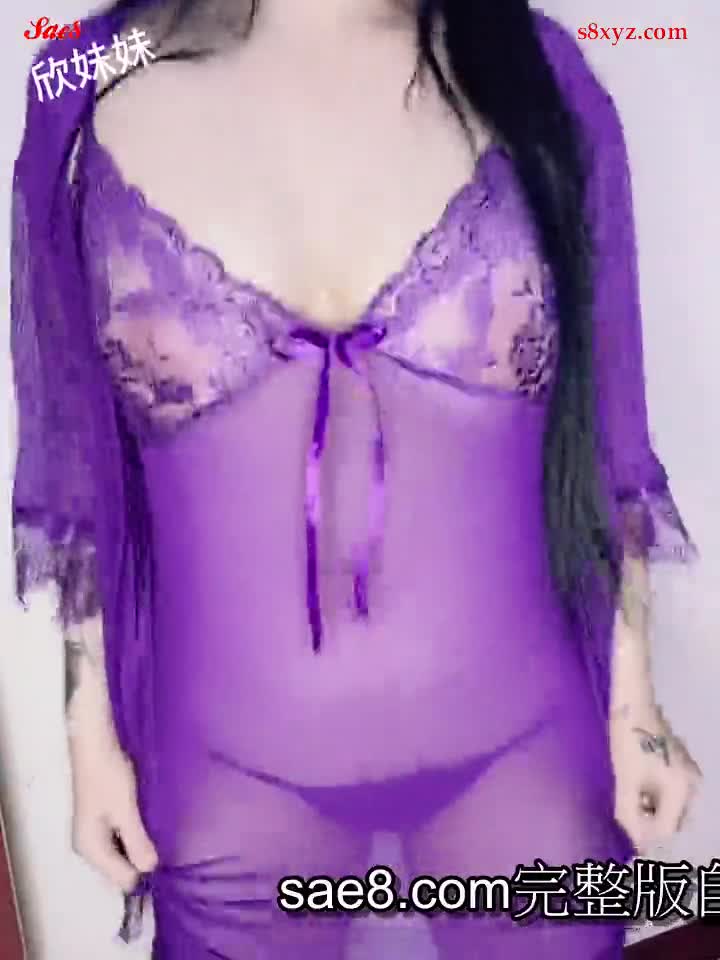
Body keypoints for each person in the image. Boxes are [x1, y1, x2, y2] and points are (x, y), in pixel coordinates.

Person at [10, 1, 701, 957]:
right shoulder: (83, 74)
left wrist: (637, 708)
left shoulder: (537, 68)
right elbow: (78, 456)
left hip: (526, 754)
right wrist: (89, 732)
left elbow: (609, 440)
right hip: (231, 782)